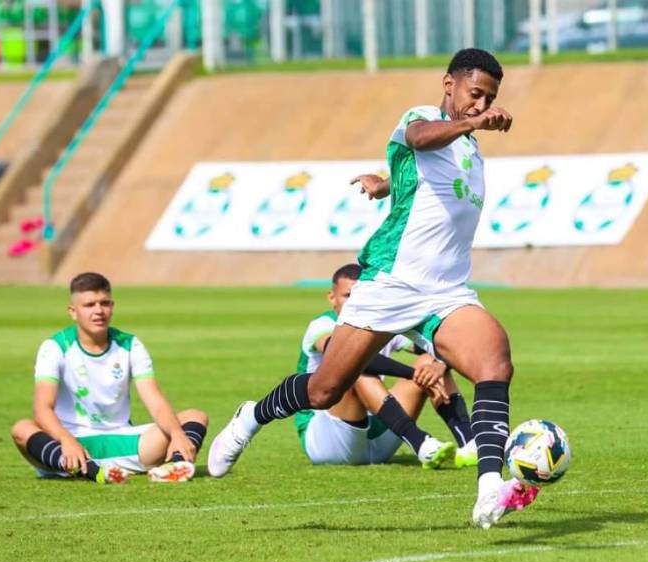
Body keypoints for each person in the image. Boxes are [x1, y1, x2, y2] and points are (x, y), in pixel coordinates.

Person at [209, 48, 537, 528]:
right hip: (391, 280)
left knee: (495, 362)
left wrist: (386, 183)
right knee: (324, 391)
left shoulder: (470, 149)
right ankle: (251, 416)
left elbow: (422, 180)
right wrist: (474, 123)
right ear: (449, 83)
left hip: (446, 291)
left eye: (488, 97)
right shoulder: (423, 117)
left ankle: (490, 485)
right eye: (474, 93)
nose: (479, 103)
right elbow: (419, 140)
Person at [10, 272, 208, 484]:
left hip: (125, 442)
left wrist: (177, 433)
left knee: (195, 416)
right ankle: (94, 471)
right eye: (89, 305)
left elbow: (155, 401)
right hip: (70, 446)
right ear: (73, 311)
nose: (99, 311)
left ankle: (174, 466)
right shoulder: (55, 347)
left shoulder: (130, 345)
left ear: (112, 306)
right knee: (22, 428)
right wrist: (67, 440)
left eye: (104, 303)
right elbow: (42, 409)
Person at [279, 263, 479, 467]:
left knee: (430, 362)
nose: (353, 303)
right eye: (347, 296)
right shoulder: (322, 325)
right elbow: (347, 356)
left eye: (359, 297)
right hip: (329, 440)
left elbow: (444, 347)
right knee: (353, 368)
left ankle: (469, 443)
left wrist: (441, 363)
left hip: (379, 432)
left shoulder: (382, 325)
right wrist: (411, 373)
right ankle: (420, 443)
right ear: (332, 297)